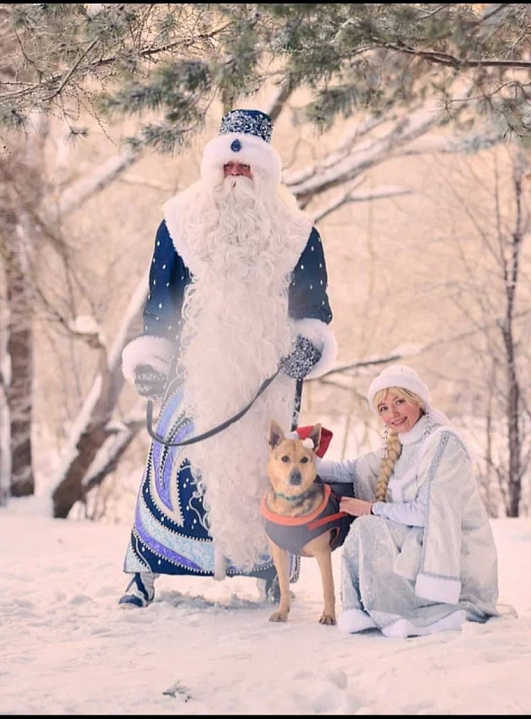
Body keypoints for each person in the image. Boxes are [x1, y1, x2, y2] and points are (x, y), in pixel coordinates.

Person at [118, 108, 337, 607]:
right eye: (228, 168)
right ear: (213, 170)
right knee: (170, 471)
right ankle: (144, 572)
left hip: (269, 380)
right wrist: (153, 357)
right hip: (195, 376)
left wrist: (309, 341)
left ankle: (271, 571)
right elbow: (162, 301)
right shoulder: (178, 224)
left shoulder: (298, 233)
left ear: (264, 173)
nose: (236, 176)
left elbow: (313, 307)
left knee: (274, 473)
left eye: (246, 169)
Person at [316, 364, 501, 637]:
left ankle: (401, 608)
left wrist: (371, 508)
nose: (393, 414)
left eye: (399, 401)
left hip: (457, 553)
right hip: (417, 542)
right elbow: (348, 469)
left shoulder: (441, 442)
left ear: (417, 399)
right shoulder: (399, 445)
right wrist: (299, 454)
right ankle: (362, 610)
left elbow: (428, 513)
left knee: (367, 525)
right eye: (383, 408)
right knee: (365, 528)